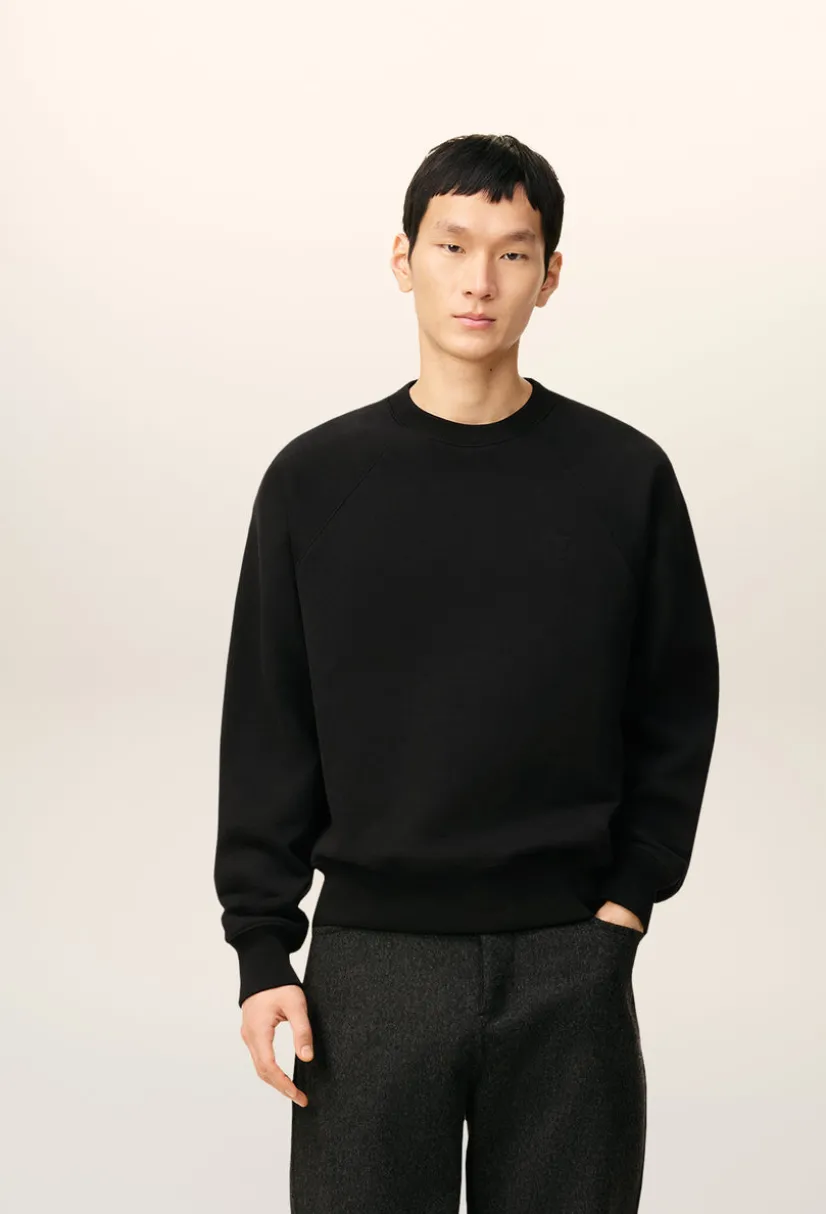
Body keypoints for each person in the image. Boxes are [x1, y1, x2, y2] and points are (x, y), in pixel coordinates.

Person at [213, 132, 720, 1213]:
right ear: (403, 258)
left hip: (569, 959)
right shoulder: (315, 481)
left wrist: (627, 902)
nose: (479, 280)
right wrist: (262, 951)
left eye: (512, 252)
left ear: (550, 274)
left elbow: (676, 704)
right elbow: (268, 722)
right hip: (370, 965)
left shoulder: (622, 476)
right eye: (452, 245)